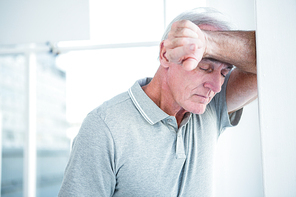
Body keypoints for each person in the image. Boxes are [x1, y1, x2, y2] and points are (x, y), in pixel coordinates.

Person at [59, 7, 257, 197]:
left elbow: (275, 52)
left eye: (224, 73)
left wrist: (208, 42)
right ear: (165, 55)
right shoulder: (104, 127)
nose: (216, 86)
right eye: (205, 67)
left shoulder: (212, 107)